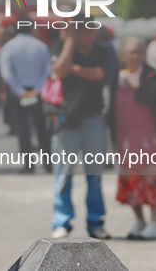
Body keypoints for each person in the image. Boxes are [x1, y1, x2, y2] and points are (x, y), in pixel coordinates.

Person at [49, 21, 110, 240]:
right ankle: (61, 221)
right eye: (83, 29)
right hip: (67, 118)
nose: (89, 33)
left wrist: (73, 69)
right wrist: (70, 42)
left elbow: (99, 74)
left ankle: (96, 221)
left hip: (93, 116)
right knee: (63, 173)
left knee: (94, 174)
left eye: (92, 28)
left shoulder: (102, 49)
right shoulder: (61, 46)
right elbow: (59, 70)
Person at [112, 37, 156, 239]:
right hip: (126, 138)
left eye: (138, 52)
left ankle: (155, 221)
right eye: (131, 52)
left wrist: (136, 85)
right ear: (122, 56)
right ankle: (139, 220)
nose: (135, 56)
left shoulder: (150, 75)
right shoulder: (116, 78)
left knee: (152, 178)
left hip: (149, 137)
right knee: (130, 180)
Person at [0, 19, 51, 172]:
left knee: (22, 129)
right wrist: (36, 89)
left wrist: (20, 91)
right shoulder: (41, 46)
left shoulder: (8, 47)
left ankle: (28, 165)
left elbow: (7, 73)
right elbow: (47, 70)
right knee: (41, 127)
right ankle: (47, 163)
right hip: (37, 91)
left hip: (18, 93)